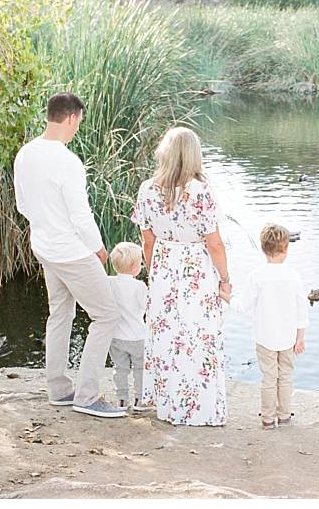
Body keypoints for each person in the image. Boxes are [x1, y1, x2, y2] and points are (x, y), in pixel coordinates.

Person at [14, 92, 125, 418]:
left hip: (45, 247)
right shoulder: (67, 161)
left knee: (60, 314)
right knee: (107, 316)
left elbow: (22, 205)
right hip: (72, 251)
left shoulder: (25, 154)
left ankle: (59, 389)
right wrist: (99, 248)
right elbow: (80, 216)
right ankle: (88, 396)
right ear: (73, 118)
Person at [130, 127, 230, 426]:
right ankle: (199, 406)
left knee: (167, 335)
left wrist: (153, 272)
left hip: (164, 266)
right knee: (198, 335)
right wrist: (225, 278)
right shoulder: (202, 191)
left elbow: (147, 241)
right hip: (196, 268)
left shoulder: (147, 188)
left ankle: (168, 403)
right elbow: (215, 244)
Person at [220, 224, 308, 428]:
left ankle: (268, 419)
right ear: (286, 249)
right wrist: (300, 336)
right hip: (288, 338)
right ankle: (284, 415)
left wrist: (226, 297)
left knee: (269, 378)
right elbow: (301, 309)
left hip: (265, 338)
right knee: (285, 376)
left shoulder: (256, 276)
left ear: (262, 248)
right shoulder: (293, 275)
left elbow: (242, 306)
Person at [106, 242, 148, 412]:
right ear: (133, 267)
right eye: (140, 263)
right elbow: (146, 306)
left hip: (116, 336)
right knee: (140, 368)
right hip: (137, 336)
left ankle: (122, 399)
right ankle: (140, 398)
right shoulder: (139, 286)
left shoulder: (109, 282)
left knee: (120, 369)